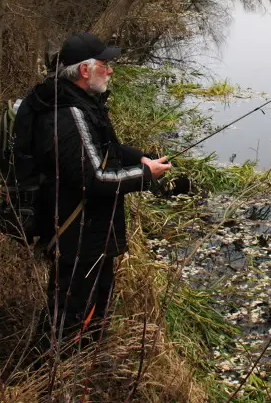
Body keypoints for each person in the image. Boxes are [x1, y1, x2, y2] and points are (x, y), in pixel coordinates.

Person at [26, 33, 172, 346]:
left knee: (93, 301)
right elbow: (94, 179)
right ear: (84, 70)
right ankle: (55, 368)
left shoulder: (78, 102)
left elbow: (106, 148)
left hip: (89, 231)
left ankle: (83, 360)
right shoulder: (69, 115)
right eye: (105, 64)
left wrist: (139, 157)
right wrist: (145, 175)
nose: (110, 70)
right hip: (77, 232)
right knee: (73, 308)